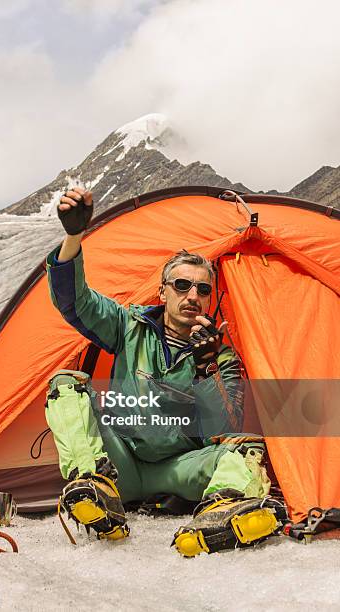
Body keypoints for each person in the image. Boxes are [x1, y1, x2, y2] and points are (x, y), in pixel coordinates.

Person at [45, 186, 270, 548]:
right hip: (121, 463)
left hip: (180, 468)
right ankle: (93, 490)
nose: (192, 296)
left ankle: (221, 514)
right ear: (163, 292)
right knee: (65, 384)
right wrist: (74, 236)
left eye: (202, 290)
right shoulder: (128, 326)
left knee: (244, 451)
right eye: (182, 285)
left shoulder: (220, 355)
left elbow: (224, 428)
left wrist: (208, 368)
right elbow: (76, 302)